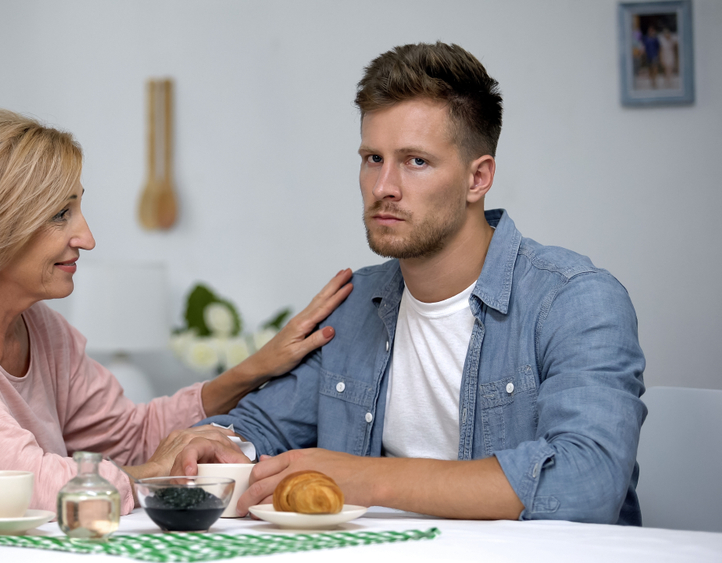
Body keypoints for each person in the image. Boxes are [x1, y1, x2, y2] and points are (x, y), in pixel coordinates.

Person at [183, 42, 646, 525]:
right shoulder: (353, 303)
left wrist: (370, 478)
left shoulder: (575, 300)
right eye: (373, 158)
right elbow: (260, 426)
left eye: (415, 161)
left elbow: (586, 482)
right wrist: (217, 444)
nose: (384, 186)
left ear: (478, 178)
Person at [0, 106, 353, 523]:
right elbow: (28, 486)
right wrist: (152, 473)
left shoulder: (42, 329)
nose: (87, 237)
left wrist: (253, 369)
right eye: (60, 215)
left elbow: (131, 434)